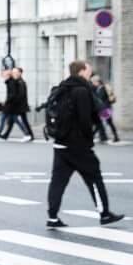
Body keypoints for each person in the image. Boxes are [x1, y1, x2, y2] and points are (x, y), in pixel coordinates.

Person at [47, 61, 124, 230]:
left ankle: (52, 217)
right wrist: (88, 139)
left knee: (58, 182)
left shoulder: (62, 88)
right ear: (81, 71)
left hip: (60, 143)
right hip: (78, 145)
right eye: (88, 70)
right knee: (94, 178)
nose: (90, 73)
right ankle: (104, 214)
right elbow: (84, 119)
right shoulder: (81, 91)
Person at [0, 67, 35, 141]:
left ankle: (29, 135)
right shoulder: (17, 81)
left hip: (20, 106)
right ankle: (6, 135)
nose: (14, 74)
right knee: (12, 121)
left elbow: (20, 95)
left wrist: (12, 103)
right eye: (13, 72)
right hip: (17, 105)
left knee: (22, 121)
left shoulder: (20, 82)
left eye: (15, 72)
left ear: (20, 73)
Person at [94, 77, 120, 143]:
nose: (94, 83)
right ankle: (116, 137)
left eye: (95, 82)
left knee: (101, 123)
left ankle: (92, 136)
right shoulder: (100, 88)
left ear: (98, 82)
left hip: (105, 109)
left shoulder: (102, 89)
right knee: (108, 123)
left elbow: (101, 99)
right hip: (106, 108)